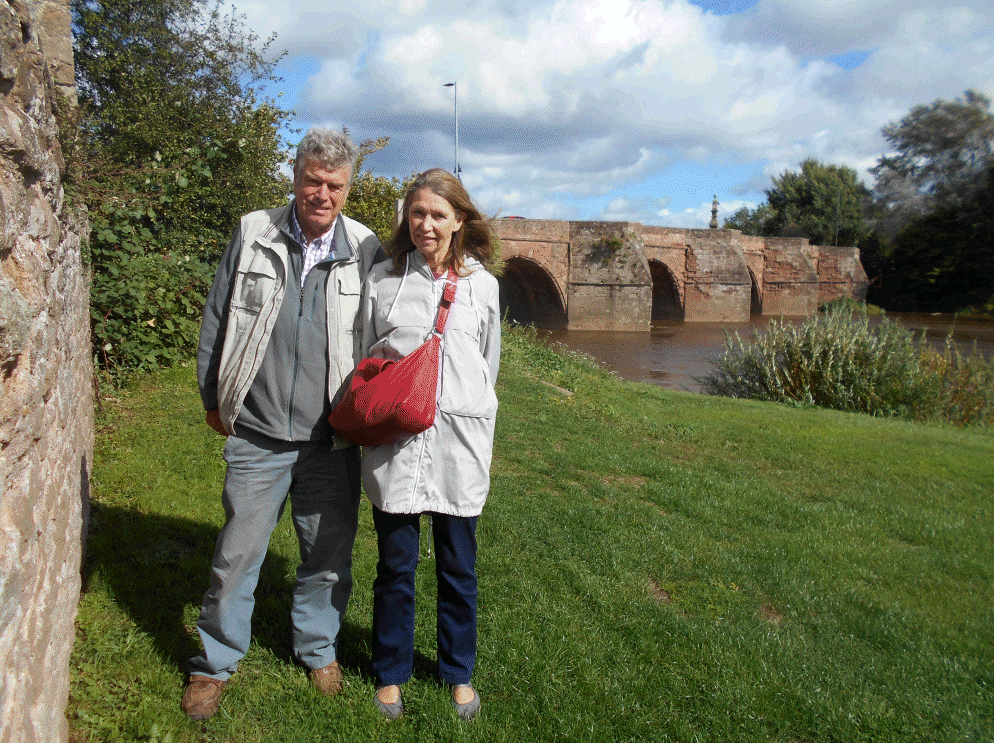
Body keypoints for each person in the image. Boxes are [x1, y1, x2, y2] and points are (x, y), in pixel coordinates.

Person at [183, 128, 382, 721]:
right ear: (295, 177)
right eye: (313, 181)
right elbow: (219, 314)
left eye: (335, 185)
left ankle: (318, 648)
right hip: (259, 430)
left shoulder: (365, 247)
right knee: (236, 556)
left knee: (327, 556)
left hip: (330, 439)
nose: (322, 194)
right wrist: (212, 396)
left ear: (348, 189)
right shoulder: (254, 232)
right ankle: (214, 662)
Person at [359, 168, 501, 721]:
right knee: (395, 567)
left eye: (438, 214)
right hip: (396, 446)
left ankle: (458, 672)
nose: (426, 224)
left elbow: (488, 365)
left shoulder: (482, 287)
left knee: (458, 568)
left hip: (458, 446)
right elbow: (365, 357)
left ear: (459, 220)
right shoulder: (383, 279)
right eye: (417, 213)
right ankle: (391, 672)